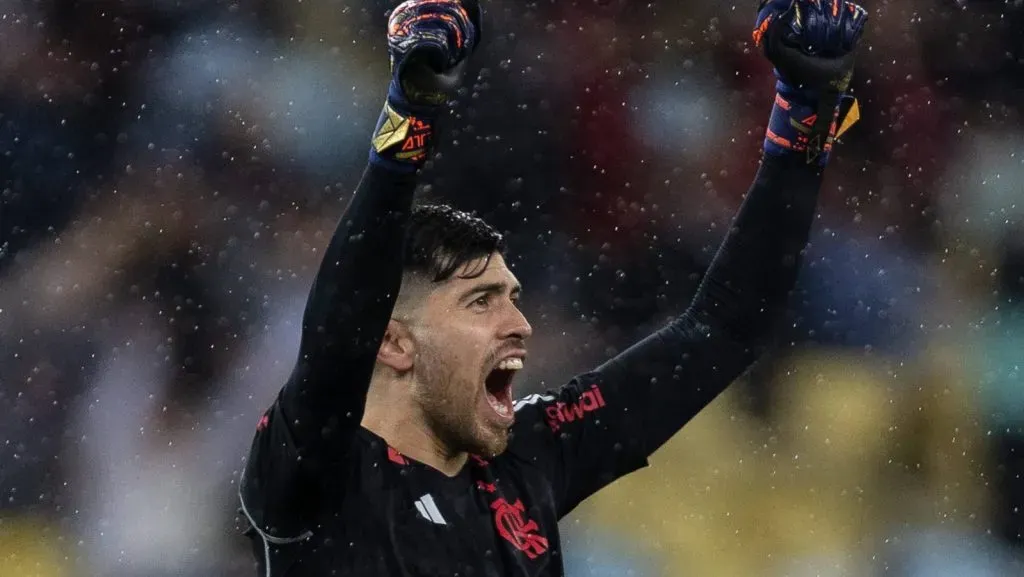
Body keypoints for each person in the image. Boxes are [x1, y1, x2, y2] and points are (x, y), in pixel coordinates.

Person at [237, 0, 869, 575]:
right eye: (480, 301)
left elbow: (725, 329)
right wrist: (407, 123)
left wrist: (802, 124)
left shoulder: (528, 457)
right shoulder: (319, 475)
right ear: (395, 343)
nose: (519, 324)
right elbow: (341, 332)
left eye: (512, 296)